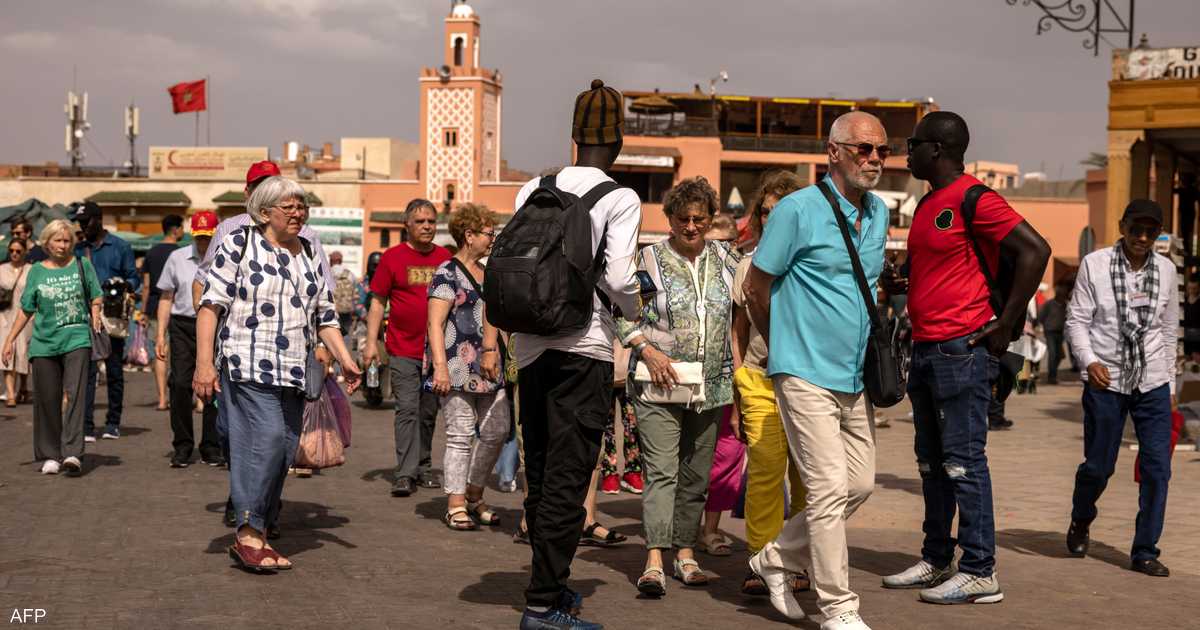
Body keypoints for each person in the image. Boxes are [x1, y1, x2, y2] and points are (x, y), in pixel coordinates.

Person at [880, 111, 1049, 605]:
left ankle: (980, 569)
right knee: (931, 464)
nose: (906, 153)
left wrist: (1006, 322)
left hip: (963, 351)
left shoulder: (976, 198)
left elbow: (1036, 250)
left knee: (963, 463)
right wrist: (903, 281)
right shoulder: (928, 203)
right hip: (926, 348)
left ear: (936, 149)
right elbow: (939, 266)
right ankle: (937, 559)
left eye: (912, 144)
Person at [497, 79, 641, 630]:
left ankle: (550, 586)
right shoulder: (620, 198)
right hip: (584, 347)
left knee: (540, 472)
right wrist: (636, 306)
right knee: (570, 476)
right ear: (618, 141)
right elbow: (621, 279)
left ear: (574, 137)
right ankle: (541, 606)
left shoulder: (533, 188)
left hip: (530, 346)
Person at [744, 112, 889, 629]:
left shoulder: (880, 213)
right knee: (827, 489)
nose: (874, 159)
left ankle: (776, 556)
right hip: (802, 370)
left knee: (859, 484)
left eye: (882, 151)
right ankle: (838, 609)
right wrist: (781, 345)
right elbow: (756, 286)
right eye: (863, 149)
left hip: (855, 376)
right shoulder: (797, 210)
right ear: (833, 152)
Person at [194, 176, 360, 572]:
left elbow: (325, 316)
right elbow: (210, 305)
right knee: (266, 441)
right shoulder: (239, 242)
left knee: (284, 449)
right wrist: (203, 364)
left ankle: (260, 529)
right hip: (246, 362)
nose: (298, 213)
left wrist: (345, 358)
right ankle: (248, 533)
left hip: (294, 371)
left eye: (302, 206)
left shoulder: (309, 252)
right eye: (290, 207)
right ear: (265, 211)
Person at [617, 176, 739, 597]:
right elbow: (622, 312)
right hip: (659, 383)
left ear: (710, 219)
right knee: (662, 471)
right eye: (682, 218)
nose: (690, 226)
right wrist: (646, 350)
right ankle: (654, 558)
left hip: (712, 386)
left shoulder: (727, 259)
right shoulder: (647, 260)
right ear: (669, 218)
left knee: (696, 474)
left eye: (699, 219)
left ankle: (686, 553)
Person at [1064, 199, 1177, 578]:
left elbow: (1168, 330)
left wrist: (1170, 385)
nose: (1142, 237)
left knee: (1157, 469)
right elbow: (1077, 320)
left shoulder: (1167, 270)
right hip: (1106, 378)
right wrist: (1089, 361)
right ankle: (1081, 517)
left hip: (1153, 380)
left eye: (1150, 231)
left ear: (1158, 233)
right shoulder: (1094, 264)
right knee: (1099, 466)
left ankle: (1145, 550)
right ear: (1122, 226)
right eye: (1135, 229)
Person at [732, 170, 809, 596]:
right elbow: (738, 331)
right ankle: (761, 561)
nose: (771, 217)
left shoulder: (813, 263)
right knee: (764, 472)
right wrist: (738, 380)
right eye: (765, 211)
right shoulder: (748, 264)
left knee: (806, 478)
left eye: (781, 210)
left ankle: (795, 560)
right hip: (759, 378)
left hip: (808, 381)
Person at [425, 203, 511, 531]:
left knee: (497, 430)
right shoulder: (447, 272)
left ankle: (475, 493)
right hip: (456, 365)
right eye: (489, 233)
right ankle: (456, 503)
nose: (493, 239)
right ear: (469, 235)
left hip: (490, 365)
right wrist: (440, 367)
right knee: (460, 433)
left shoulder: (489, 273)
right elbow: (435, 324)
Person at [363, 198, 451, 497]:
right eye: (420, 221)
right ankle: (404, 473)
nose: (426, 226)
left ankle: (423, 467)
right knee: (407, 410)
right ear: (407, 225)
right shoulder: (392, 258)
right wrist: (371, 343)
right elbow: (377, 302)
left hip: (436, 354)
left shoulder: (445, 258)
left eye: (431, 221)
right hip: (402, 349)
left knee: (428, 412)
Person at [3, 220, 102, 475]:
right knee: (47, 399)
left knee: (75, 395)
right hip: (44, 343)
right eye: (58, 240)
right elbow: (27, 308)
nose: (63, 245)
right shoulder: (36, 270)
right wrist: (10, 339)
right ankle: (51, 454)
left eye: (67, 240)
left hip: (77, 338)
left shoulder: (82, 264)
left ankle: (72, 453)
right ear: (47, 243)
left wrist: (96, 313)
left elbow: (96, 294)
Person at [156, 211, 222, 468]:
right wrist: (160, 335)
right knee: (180, 384)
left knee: (214, 387)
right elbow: (166, 298)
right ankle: (182, 445)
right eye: (199, 237)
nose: (204, 242)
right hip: (183, 326)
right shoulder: (177, 257)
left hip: (216, 325)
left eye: (208, 237)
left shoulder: (226, 257)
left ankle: (211, 446)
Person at [73, 201, 140, 441]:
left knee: (114, 371)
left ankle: (113, 423)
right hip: (85, 316)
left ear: (98, 219)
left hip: (112, 316)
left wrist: (123, 284)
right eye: (80, 222)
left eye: (86, 221)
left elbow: (134, 278)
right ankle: (87, 426)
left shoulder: (120, 246)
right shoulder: (78, 249)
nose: (82, 226)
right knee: (88, 372)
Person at [143, 214, 184, 411]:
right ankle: (191, 398)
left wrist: (143, 310)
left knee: (160, 352)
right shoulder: (182, 253)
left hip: (154, 306)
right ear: (175, 230)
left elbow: (146, 285)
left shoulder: (151, 252)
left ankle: (161, 399)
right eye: (182, 227)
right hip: (179, 307)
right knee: (181, 352)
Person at [600, 341, 643, 496]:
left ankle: (633, 470)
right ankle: (609, 472)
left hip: (631, 365)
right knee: (605, 423)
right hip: (603, 360)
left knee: (633, 422)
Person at [0, 238, 33, 406]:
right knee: (6, 352)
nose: (14, 254)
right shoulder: (1, 269)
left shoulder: (31, 270)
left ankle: (24, 387)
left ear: (25, 252)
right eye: (11, 250)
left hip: (26, 317)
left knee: (23, 353)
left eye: (18, 251)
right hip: (4, 316)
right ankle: (10, 393)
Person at [1039, 282, 1071, 384]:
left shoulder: (1065, 305)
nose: (1063, 297)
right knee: (1052, 354)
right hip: (1050, 332)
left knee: (1059, 355)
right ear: (1057, 295)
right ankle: (1051, 377)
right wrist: (1045, 326)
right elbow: (1041, 316)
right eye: (1061, 294)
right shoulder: (1049, 304)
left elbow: (1067, 318)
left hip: (1060, 333)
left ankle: (1053, 373)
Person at [330, 251, 361, 340]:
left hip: (332, 310)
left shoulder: (328, 272)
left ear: (331, 260)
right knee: (346, 333)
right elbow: (356, 290)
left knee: (332, 334)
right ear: (341, 260)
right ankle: (345, 348)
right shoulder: (349, 274)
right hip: (347, 309)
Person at [1182, 278, 1200, 359]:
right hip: (1185, 339)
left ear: (1199, 288)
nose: (1191, 290)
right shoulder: (1183, 300)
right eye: (1189, 288)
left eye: (1194, 288)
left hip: (1197, 340)